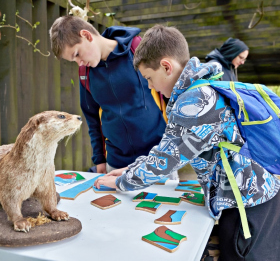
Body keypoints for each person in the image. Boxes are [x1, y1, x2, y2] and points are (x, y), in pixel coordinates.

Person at [95, 25, 280, 261]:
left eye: (149, 78)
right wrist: (130, 169)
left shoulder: (195, 102)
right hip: (256, 197)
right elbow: (169, 149)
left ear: (166, 66)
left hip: (248, 206)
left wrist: (121, 182)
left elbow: (165, 162)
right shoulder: (201, 88)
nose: (150, 86)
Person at [49, 16, 167, 173]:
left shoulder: (137, 48)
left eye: (77, 54)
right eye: (73, 60)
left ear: (86, 35)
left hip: (157, 157)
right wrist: (99, 160)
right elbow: (92, 118)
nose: (79, 63)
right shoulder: (85, 72)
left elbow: (167, 93)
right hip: (116, 163)